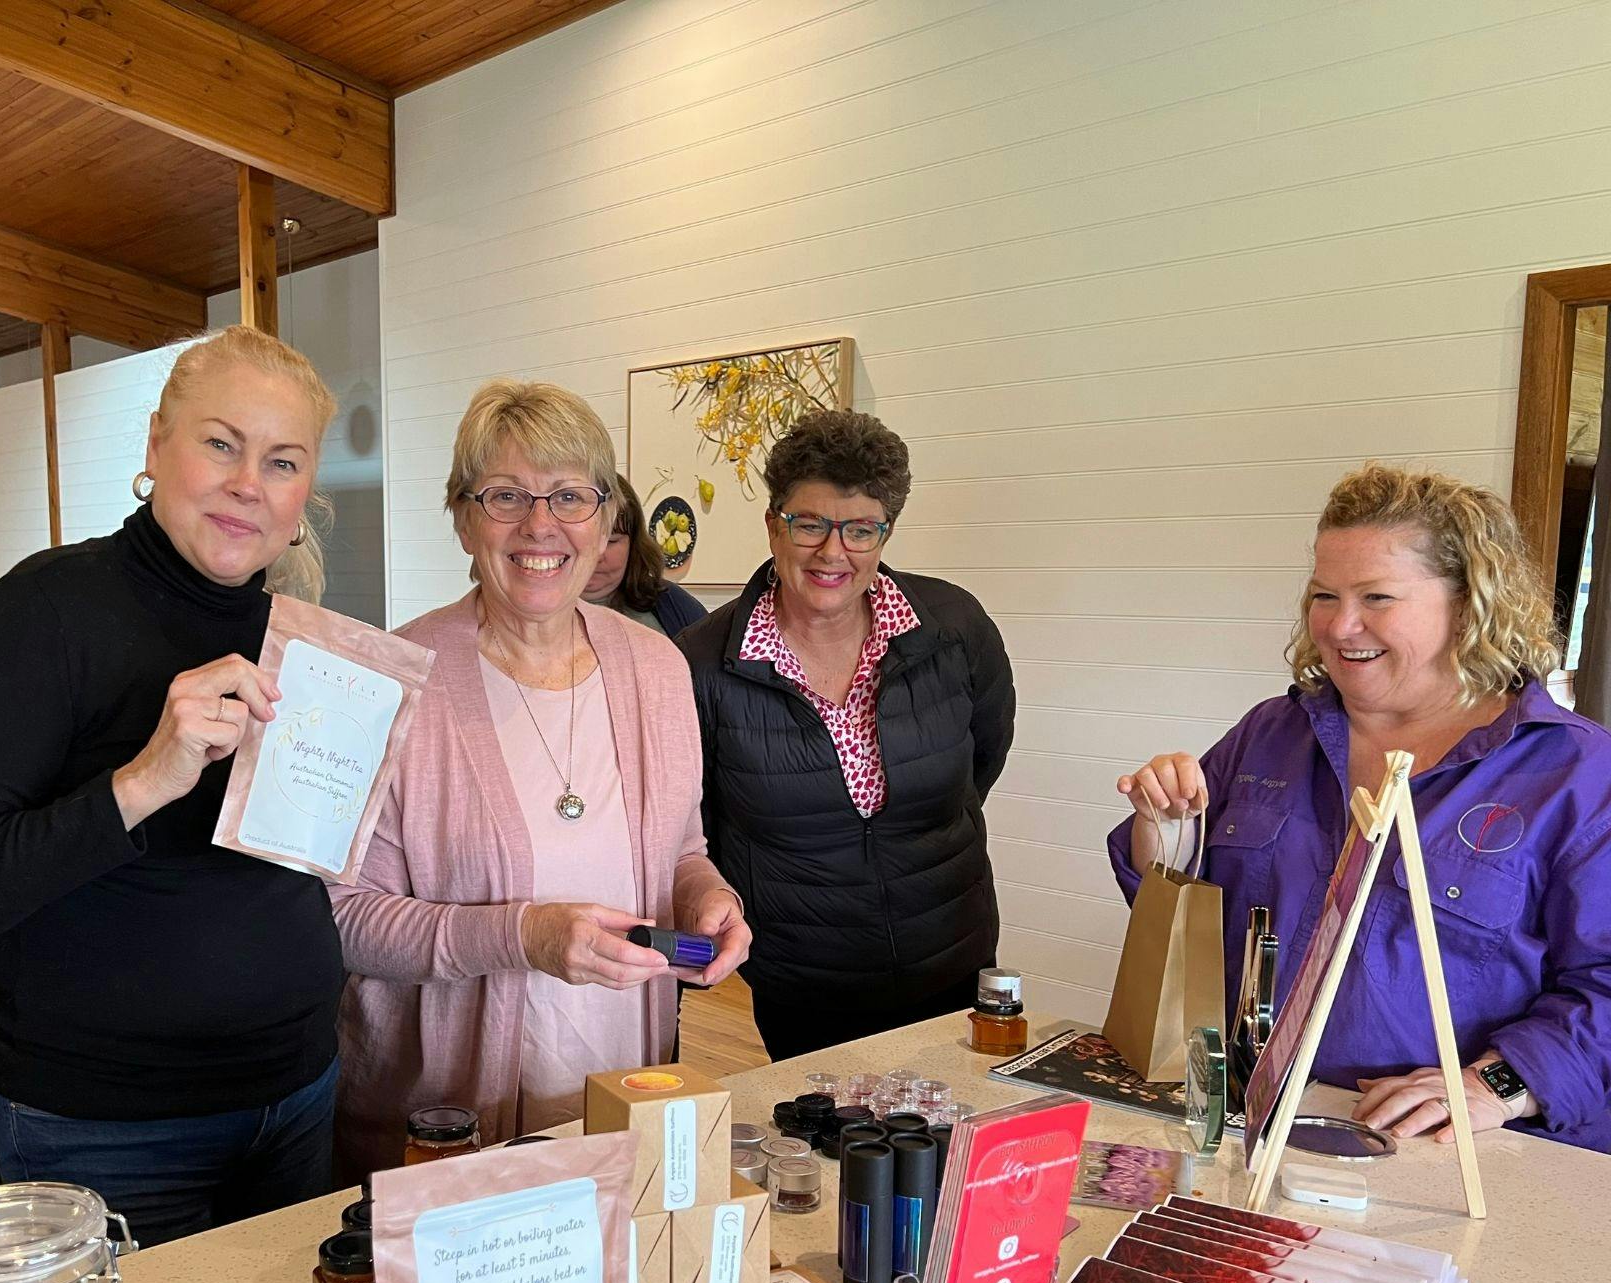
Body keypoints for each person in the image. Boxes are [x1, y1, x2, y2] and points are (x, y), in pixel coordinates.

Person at [0, 325, 350, 1244]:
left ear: (304, 495)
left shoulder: (300, 638)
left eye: (282, 462)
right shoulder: (44, 611)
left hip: (297, 1093)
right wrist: (140, 782)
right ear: (156, 447)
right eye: (221, 444)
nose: (249, 483)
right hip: (108, 1127)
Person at [1110, 464, 1611, 1154]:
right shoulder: (1272, 732)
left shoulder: (1577, 773)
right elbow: (1178, 909)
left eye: (1377, 597)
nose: (1341, 626)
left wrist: (1495, 1084)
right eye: (1325, 595)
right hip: (1250, 1119)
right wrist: (1165, 837)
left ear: (1470, 604)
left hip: (1448, 1146)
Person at [331, 380, 752, 1170]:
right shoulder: (386, 682)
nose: (540, 525)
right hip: (445, 1130)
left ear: (605, 519)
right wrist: (523, 937)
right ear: (463, 518)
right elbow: (344, 919)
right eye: (505, 496)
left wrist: (707, 899)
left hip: (624, 1095)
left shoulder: (658, 669)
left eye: (569, 496)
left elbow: (683, 849)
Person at [678, 409, 1014, 1058]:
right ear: (774, 525)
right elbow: (701, 823)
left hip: (951, 954)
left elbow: (983, 758)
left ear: (886, 532)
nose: (833, 553)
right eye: (810, 524)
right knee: (824, 1123)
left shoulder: (954, 628)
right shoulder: (701, 663)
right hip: (804, 980)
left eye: (860, 529)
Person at [580, 475, 707, 636]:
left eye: (611, 541)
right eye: (582, 540)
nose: (596, 556)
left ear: (633, 544)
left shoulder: (671, 603)